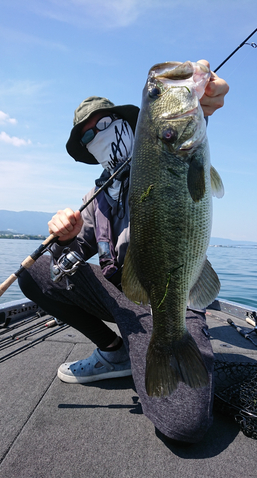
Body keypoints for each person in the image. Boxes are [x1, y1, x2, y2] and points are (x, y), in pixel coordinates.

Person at [18, 60, 229, 443]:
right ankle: (114, 350)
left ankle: (163, 338)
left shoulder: (161, 151)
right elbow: (75, 258)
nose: (96, 135)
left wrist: (205, 100)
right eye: (86, 137)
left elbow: (180, 134)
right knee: (35, 272)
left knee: (184, 423)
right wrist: (66, 235)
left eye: (102, 124)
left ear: (127, 123)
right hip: (124, 294)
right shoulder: (94, 198)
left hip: (171, 301)